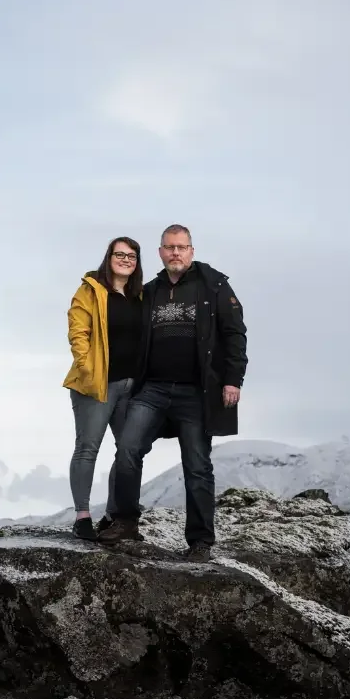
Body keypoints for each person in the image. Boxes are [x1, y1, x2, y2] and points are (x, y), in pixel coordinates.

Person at [100, 224, 247, 559]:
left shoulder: (214, 286)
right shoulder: (150, 291)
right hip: (151, 389)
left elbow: (235, 334)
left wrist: (232, 380)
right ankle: (125, 521)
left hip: (196, 393)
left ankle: (200, 541)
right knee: (127, 448)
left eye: (182, 247)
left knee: (196, 465)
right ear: (160, 252)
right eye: (169, 247)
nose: (175, 253)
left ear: (191, 251)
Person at [62, 237, 144, 541]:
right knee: (87, 448)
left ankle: (114, 515)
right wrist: (87, 367)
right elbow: (77, 330)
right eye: (119, 254)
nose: (125, 259)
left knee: (128, 451)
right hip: (95, 385)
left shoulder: (140, 296)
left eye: (131, 256)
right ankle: (82, 516)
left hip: (130, 386)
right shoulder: (91, 290)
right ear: (108, 257)